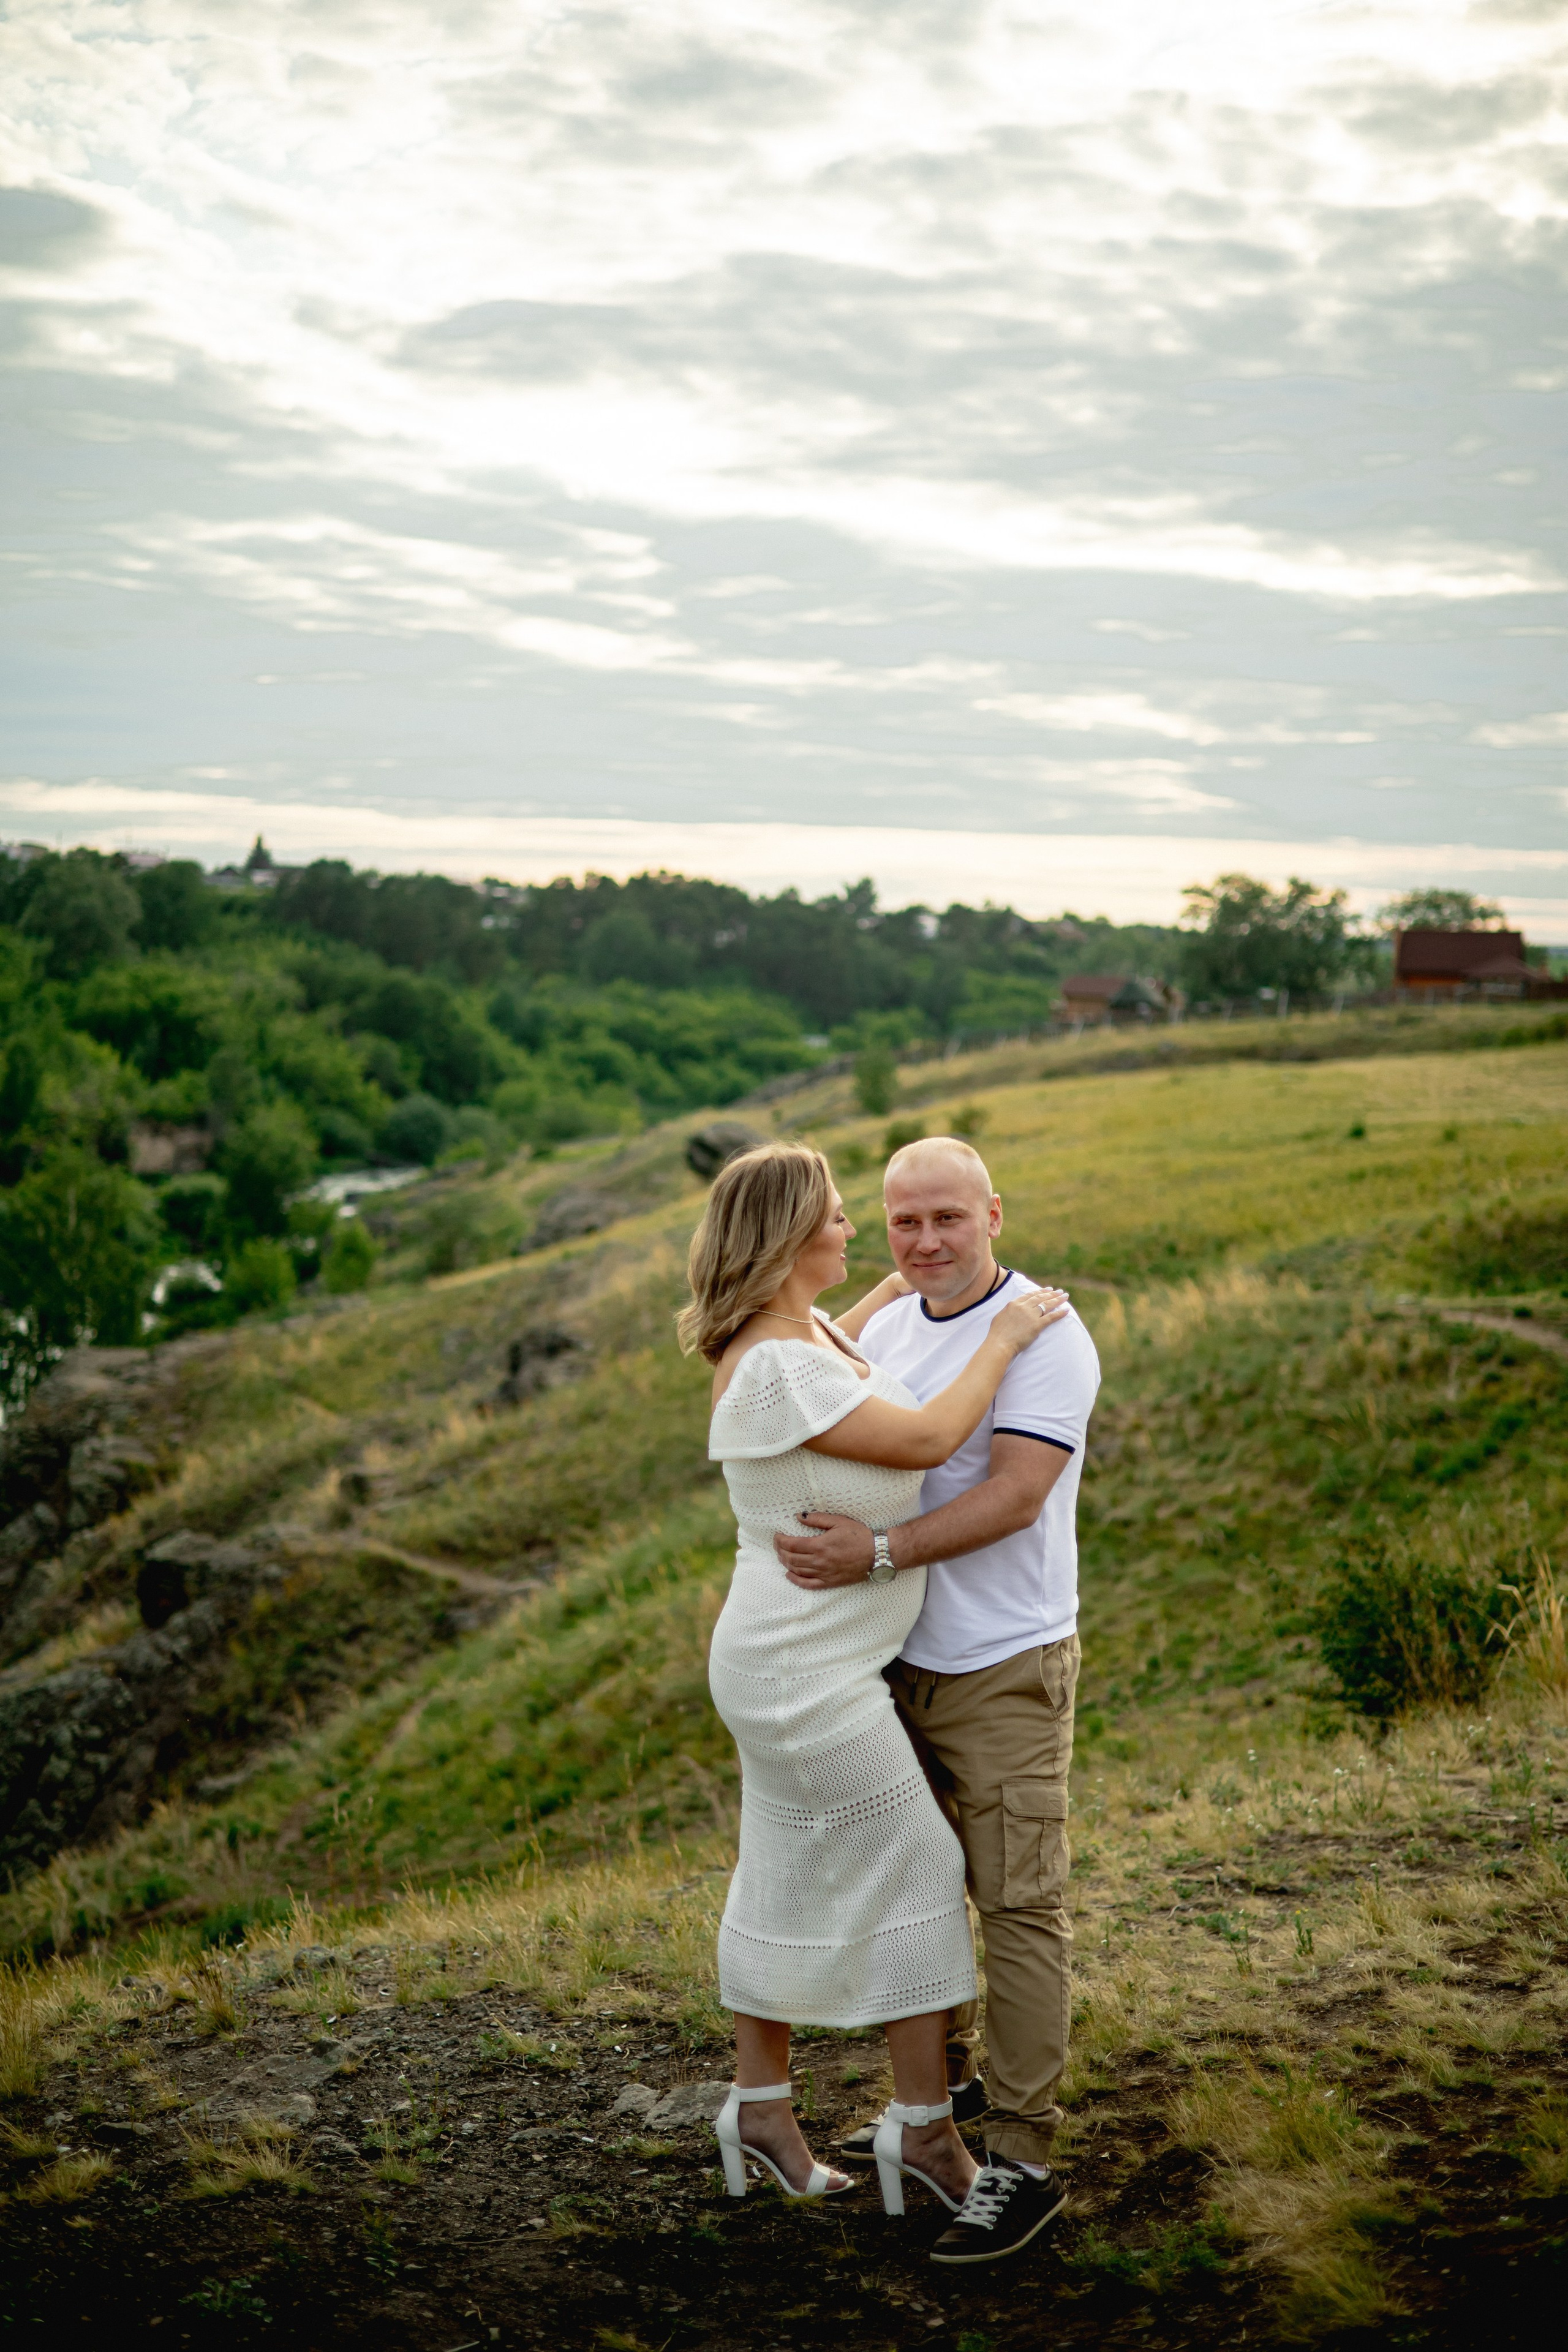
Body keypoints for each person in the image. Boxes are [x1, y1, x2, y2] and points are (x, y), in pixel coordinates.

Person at [680, 1141, 1068, 2216]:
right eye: (844, 1219)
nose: (859, 1233)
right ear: (794, 1239)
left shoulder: (799, 1332)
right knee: (918, 1862)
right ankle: (929, 2135)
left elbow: (846, 1345)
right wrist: (1004, 1335)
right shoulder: (778, 1360)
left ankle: (760, 2106)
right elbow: (937, 1435)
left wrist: (906, 1286)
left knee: (783, 1864)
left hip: (803, 1651)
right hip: (803, 1665)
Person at [775, 1135, 1100, 2265]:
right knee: (913, 1889)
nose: (925, 1242)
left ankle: (1024, 2161)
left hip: (1002, 1666)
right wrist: (879, 1292)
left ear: (995, 1215)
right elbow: (803, 1343)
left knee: (1016, 1905)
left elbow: (1014, 1496)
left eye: (947, 1220)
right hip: (891, 1669)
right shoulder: (895, 1317)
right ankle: (942, 2101)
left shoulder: (1047, 1338)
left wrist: (877, 1553)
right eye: (902, 1222)